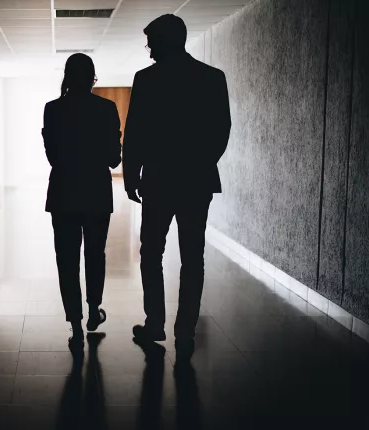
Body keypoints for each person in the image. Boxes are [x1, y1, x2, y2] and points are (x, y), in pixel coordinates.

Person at [123, 14, 231, 358]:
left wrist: (130, 174)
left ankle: (155, 323)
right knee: (192, 258)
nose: (149, 49)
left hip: (157, 179)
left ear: (166, 41)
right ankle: (185, 331)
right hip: (196, 181)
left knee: (151, 253)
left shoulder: (146, 79)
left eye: (152, 41)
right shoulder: (212, 78)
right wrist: (199, 164)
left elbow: (135, 131)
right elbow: (221, 130)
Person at [42, 53, 122, 347]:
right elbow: (114, 160)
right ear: (92, 79)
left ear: (66, 77)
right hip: (96, 193)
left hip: (63, 192)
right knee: (94, 254)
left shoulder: (52, 109)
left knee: (67, 258)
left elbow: (53, 157)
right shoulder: (106, 108)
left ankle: (75, 323)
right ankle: (93, 311)